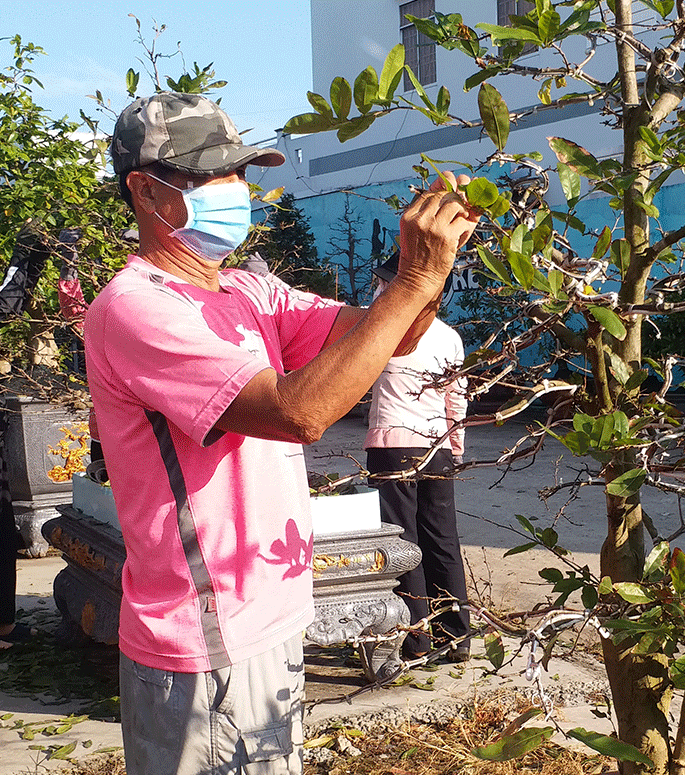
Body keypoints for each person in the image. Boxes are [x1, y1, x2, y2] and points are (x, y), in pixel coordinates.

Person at [86, 92, 476, 775]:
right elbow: (299, 411)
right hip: (209, 641)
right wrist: (411, 279)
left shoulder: (247, 293)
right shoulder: (136, 308)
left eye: (241, 171)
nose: (235, 190)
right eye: (212, 174)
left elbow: (391, 335)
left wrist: (427, 271)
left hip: (270, 613)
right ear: (146, 192)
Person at [364, 256, 470, 662]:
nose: (376, 289)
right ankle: (456, 637)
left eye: (380, 283)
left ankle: (415, 638)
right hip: (437, 448)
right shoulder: (449, 336)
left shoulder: (383, 332)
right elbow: (455, 398)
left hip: (392, 448)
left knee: (402, 540)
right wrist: (453, 446)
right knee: (443, 539)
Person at [0, 226, 51, 651]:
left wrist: (35, 263)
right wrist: (25, 258)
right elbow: (0, 307)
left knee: (0, 530)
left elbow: (6, 305)